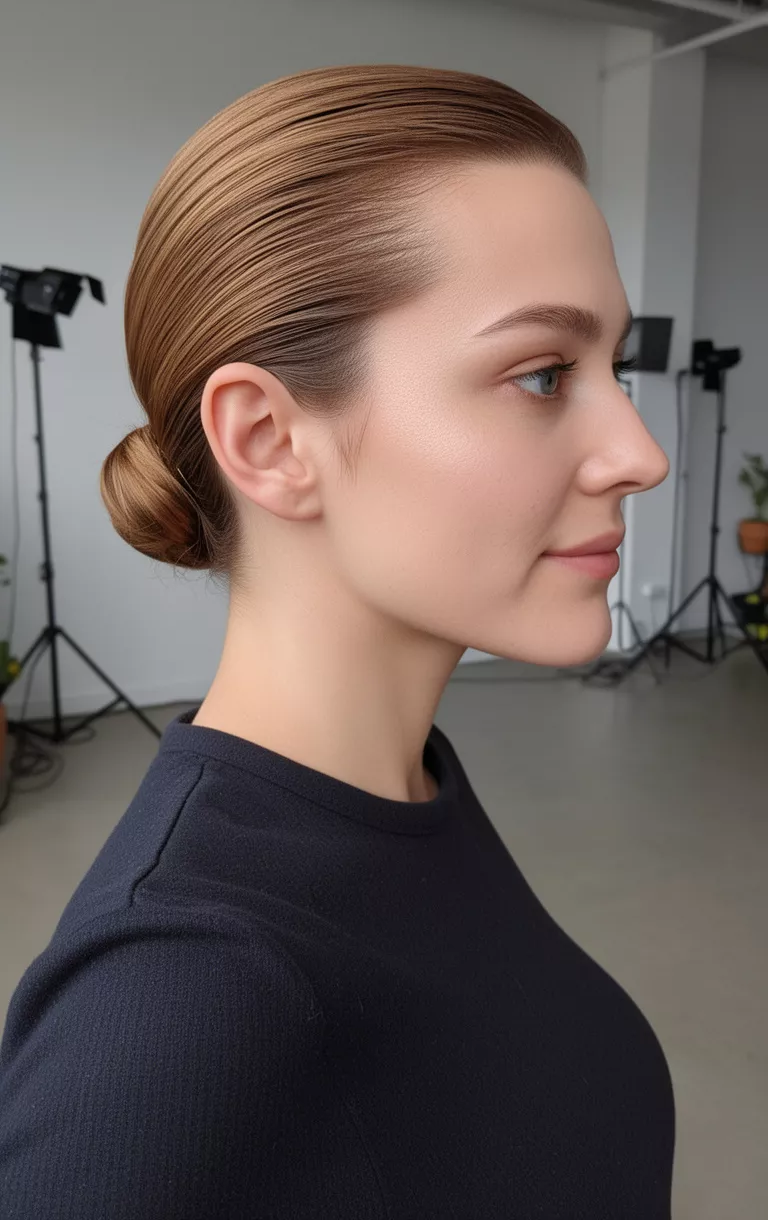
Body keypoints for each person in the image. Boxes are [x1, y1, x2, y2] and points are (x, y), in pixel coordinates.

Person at [0, 64, 672, 1218]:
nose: (639, 453)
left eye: (612, 366)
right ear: (267, 440)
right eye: (544, 374)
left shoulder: (408, 789)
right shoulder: (177, 999)